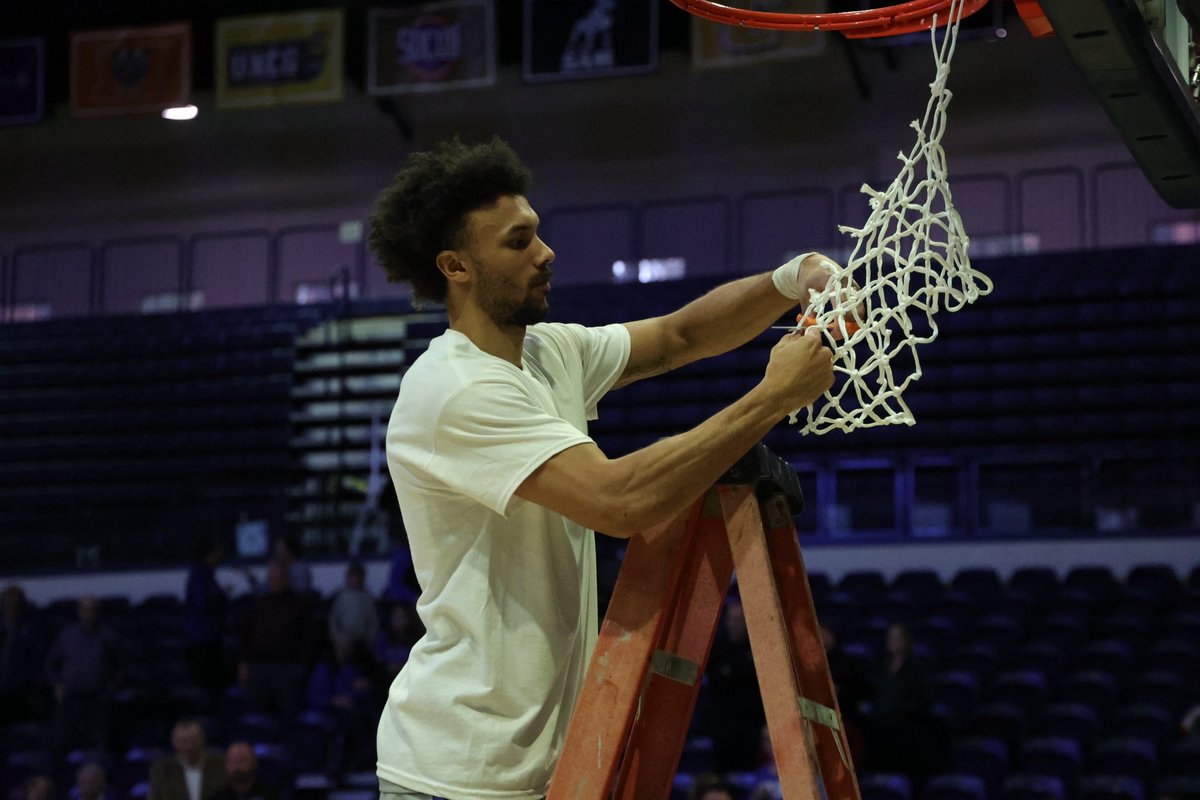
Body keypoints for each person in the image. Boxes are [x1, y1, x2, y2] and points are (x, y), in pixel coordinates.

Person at [369, 137, 837, 799]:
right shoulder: (455, 389)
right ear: (456, 266)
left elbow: (680, 336)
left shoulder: (547, 351)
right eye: (518, 242)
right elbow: (619, 501)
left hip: (546, 766)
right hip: (461, 774)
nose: (545, 252)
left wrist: (789, 281)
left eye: (538, 234)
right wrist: (773, 398)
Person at [859, 621, 937, 788]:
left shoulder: (917, 668)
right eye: (891, 638)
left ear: (907, 640)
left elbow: (924, 699)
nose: (893, 642)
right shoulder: (879, 667)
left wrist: (900, 712)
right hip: (879, 728)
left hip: (905, 731)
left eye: (897, 638)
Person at [45, 596, 123, 758]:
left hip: (97, 699)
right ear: (79, 612)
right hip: (70, 698)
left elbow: (120, 667)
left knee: (99, 746)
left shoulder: (108, 635)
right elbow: (52, 663)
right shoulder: (67, 635)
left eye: (93, 611)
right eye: (85, 610)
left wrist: (109, 691)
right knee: (57, 744)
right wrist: (57, 685)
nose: (89, 615)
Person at [238, 561, 316, 722]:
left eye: (279, 576)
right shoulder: (260, 604)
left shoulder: (300, 604)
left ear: (286, 578)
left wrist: (302, 667)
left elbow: (309, 638)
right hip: (259, 668)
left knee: (288, 719)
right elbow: (248, 635)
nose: (275, 579)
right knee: (256, 718)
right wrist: (244, 662)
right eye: (272, 576)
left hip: (288, 669)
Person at [706, 593, 766, 773]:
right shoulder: (717, 650)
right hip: (723, 724)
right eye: (730, 619)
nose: (733, 624)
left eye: (739, 620)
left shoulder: (759, 650)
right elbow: (717, 683)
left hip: (752, 724)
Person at [182, 536, 229, 701]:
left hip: (208, 639)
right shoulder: (200, 574)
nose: (220, 555)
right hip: (202, 641)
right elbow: (203, 604)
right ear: (209, 554)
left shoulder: (205, 574)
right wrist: (221, 596)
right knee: (206, 690)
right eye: (217, 552)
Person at [0, 584, 49, 724]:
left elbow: (40, 659)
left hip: (21, 686)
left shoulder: (31, 629)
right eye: (7, 606)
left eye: (13, 606)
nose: (10, 611)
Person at [148, 719, 228, 800]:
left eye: (193, 741)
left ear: (202, 741)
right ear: (175, 744)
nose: (188, 747)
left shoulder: (220, 765)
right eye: (183, 742)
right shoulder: (162, 770)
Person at [327, 561, 379, 650]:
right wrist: (337, 636)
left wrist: (369, 639)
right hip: (342, 638)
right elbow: (333, 620)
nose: (355, 579)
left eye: (357, 576)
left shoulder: (368, 598)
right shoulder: (341, 596)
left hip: (362, 639)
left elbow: (373, 621)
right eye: (352, 576)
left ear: (362, 578)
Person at [207, 742, 277, 800]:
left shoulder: (270, 795)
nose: (237, 767)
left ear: (254, 762)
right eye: (233, 762)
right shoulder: (217, 797)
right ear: (226, 765)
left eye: (242, 761)